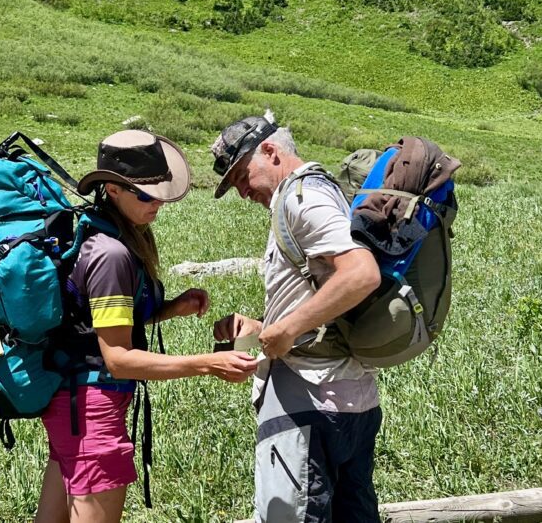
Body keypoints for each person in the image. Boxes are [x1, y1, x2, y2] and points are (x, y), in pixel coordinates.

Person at [36, 129, 259, 523]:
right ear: (113, 189)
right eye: (145, 193)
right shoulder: (112, 254)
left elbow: (101, 323)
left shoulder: (102, 231)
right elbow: (119, 358)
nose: (157, 201)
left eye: (159, 190)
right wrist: (208, 363)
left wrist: (171, 308)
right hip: (93, 411)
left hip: (71, 405)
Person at [210, 115, 383, 523]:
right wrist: (260, 328)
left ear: (270, 152)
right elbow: (325, 294)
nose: (241, 191)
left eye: (240, 176)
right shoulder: (321, 193)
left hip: (308, 403)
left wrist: (287, 329)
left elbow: (361, 274)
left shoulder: (301, 197)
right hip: (352, 399)